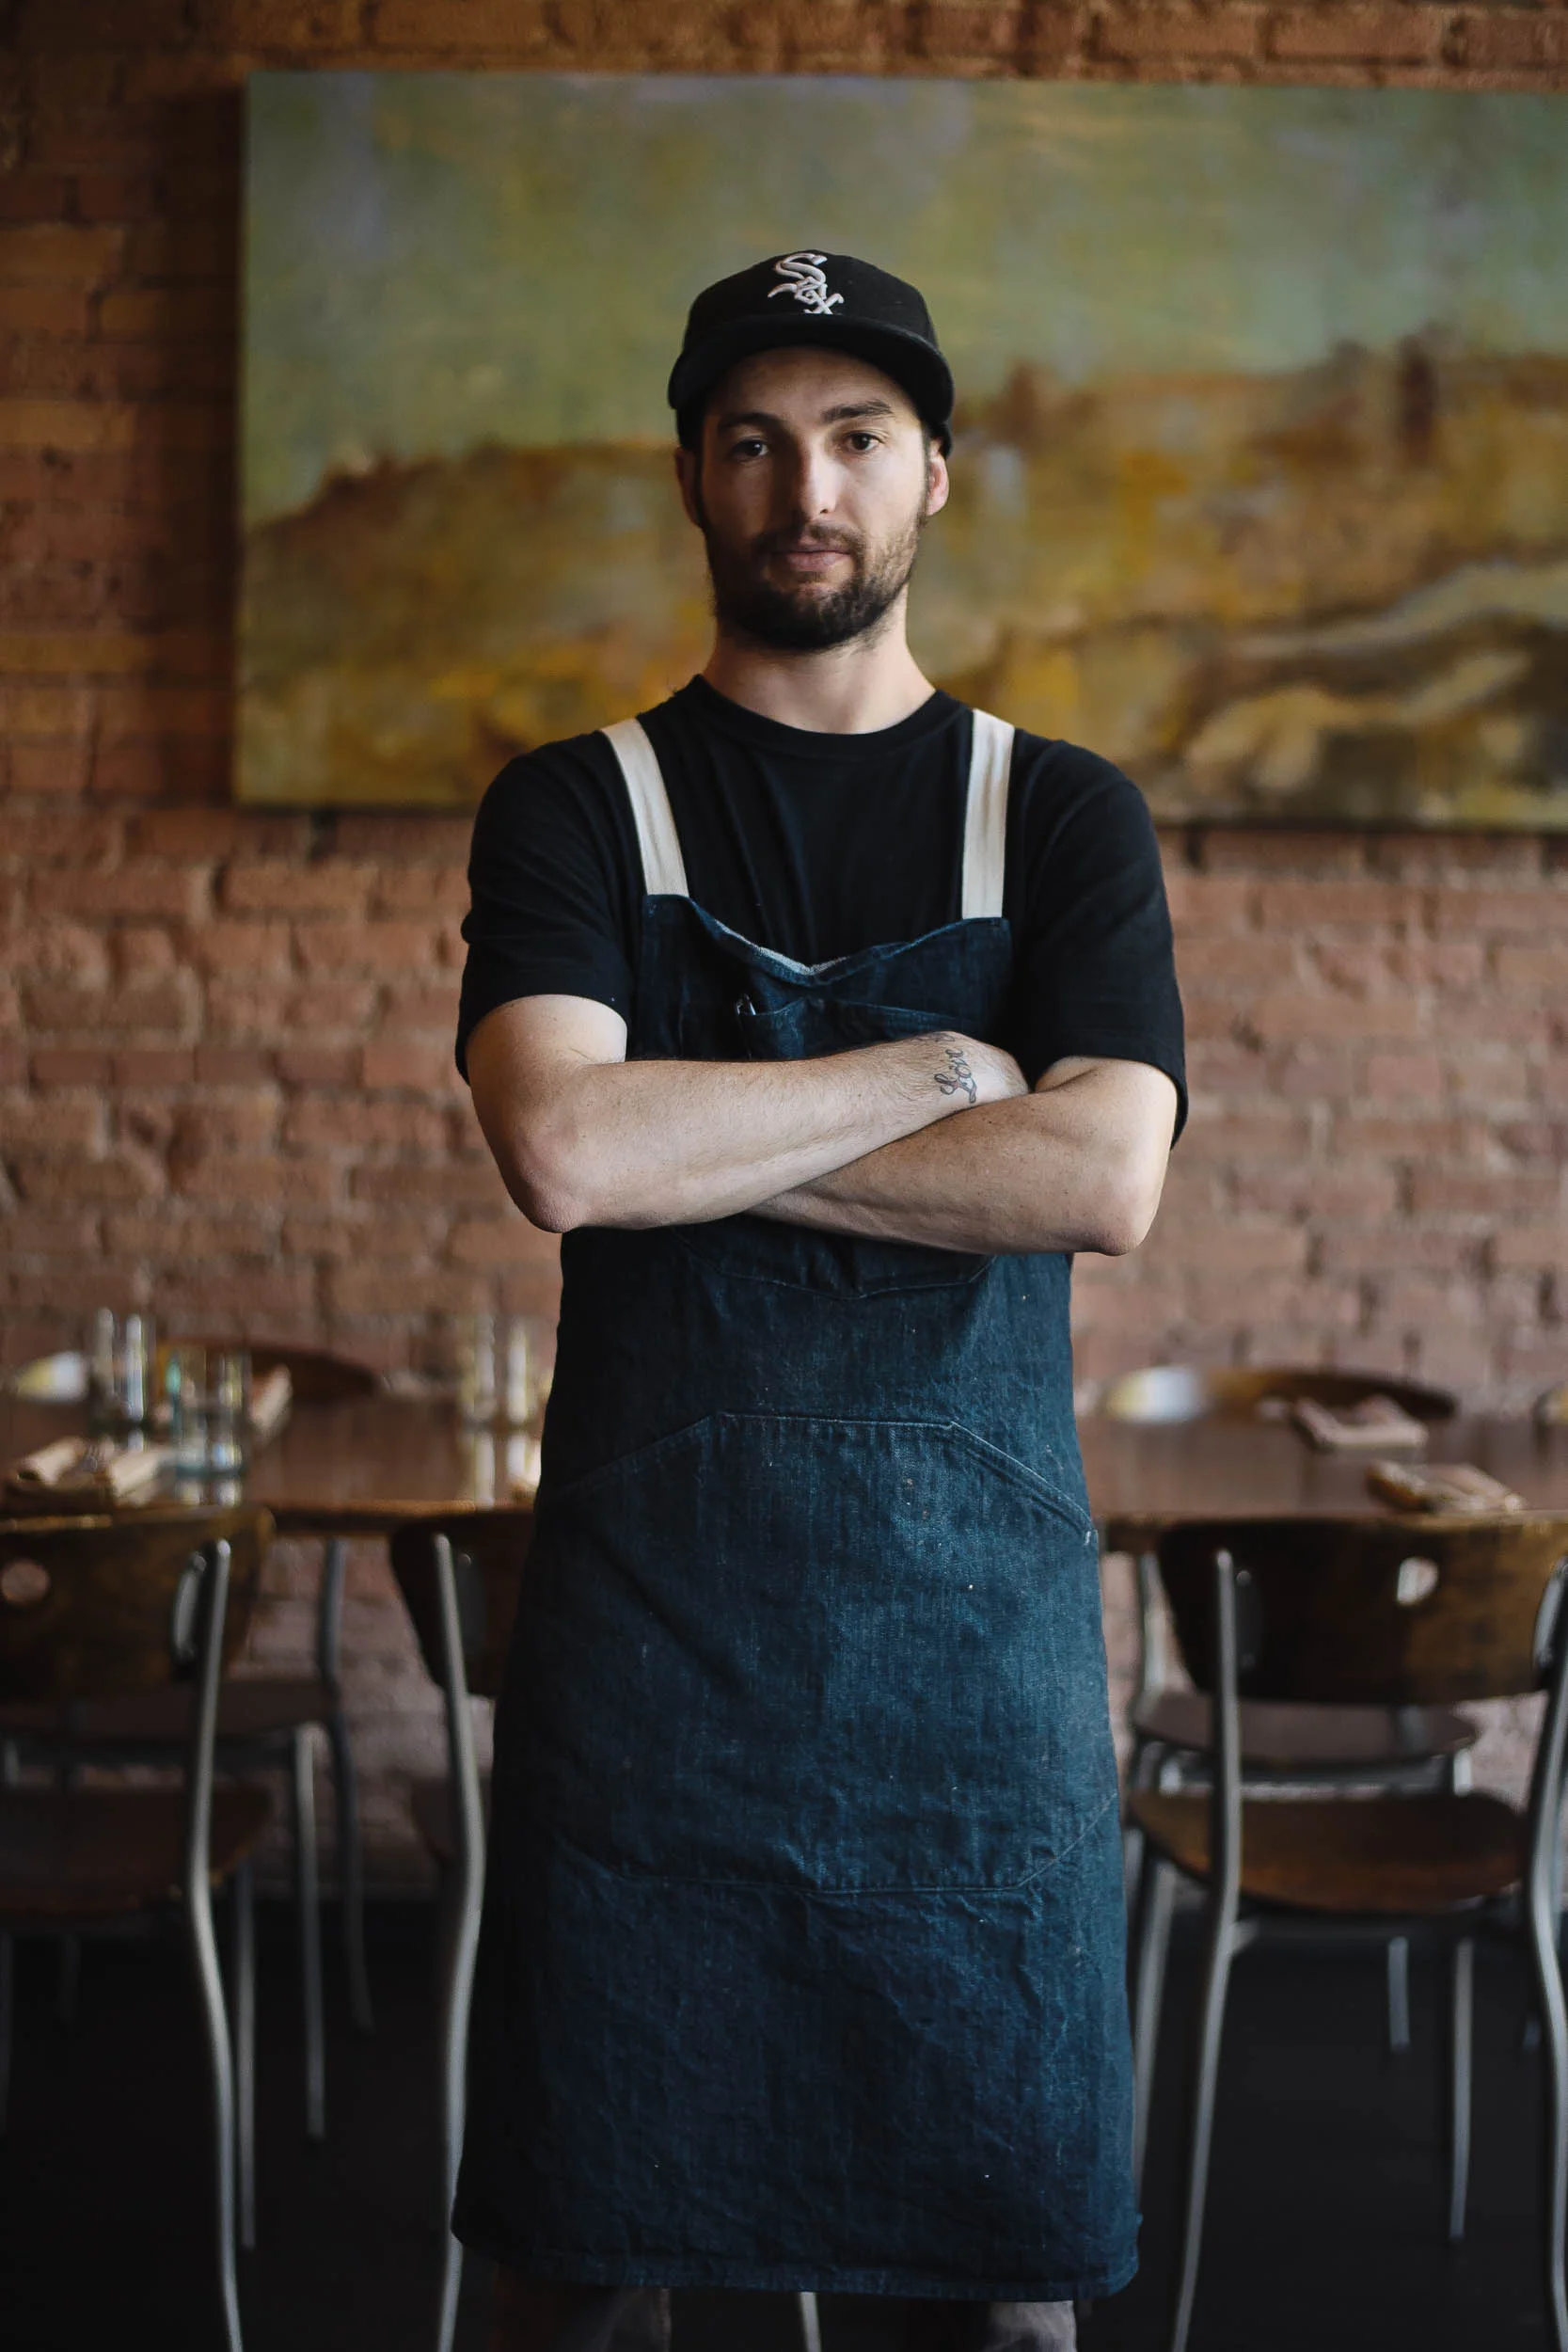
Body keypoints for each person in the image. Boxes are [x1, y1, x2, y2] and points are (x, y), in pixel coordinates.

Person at [454, 251, 1185, 2352]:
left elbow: (1100, 1177)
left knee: (1005, 2299)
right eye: (756, 441)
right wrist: (938, 1070)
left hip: (972, 1675)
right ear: (693, 473)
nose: (809, 487)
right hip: (649, 1669)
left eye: (857, 437)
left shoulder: (1058, 812)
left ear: (932, 471)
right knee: (577, 2271)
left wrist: (698, 1133)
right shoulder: (575, 803)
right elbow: (563, 1153)